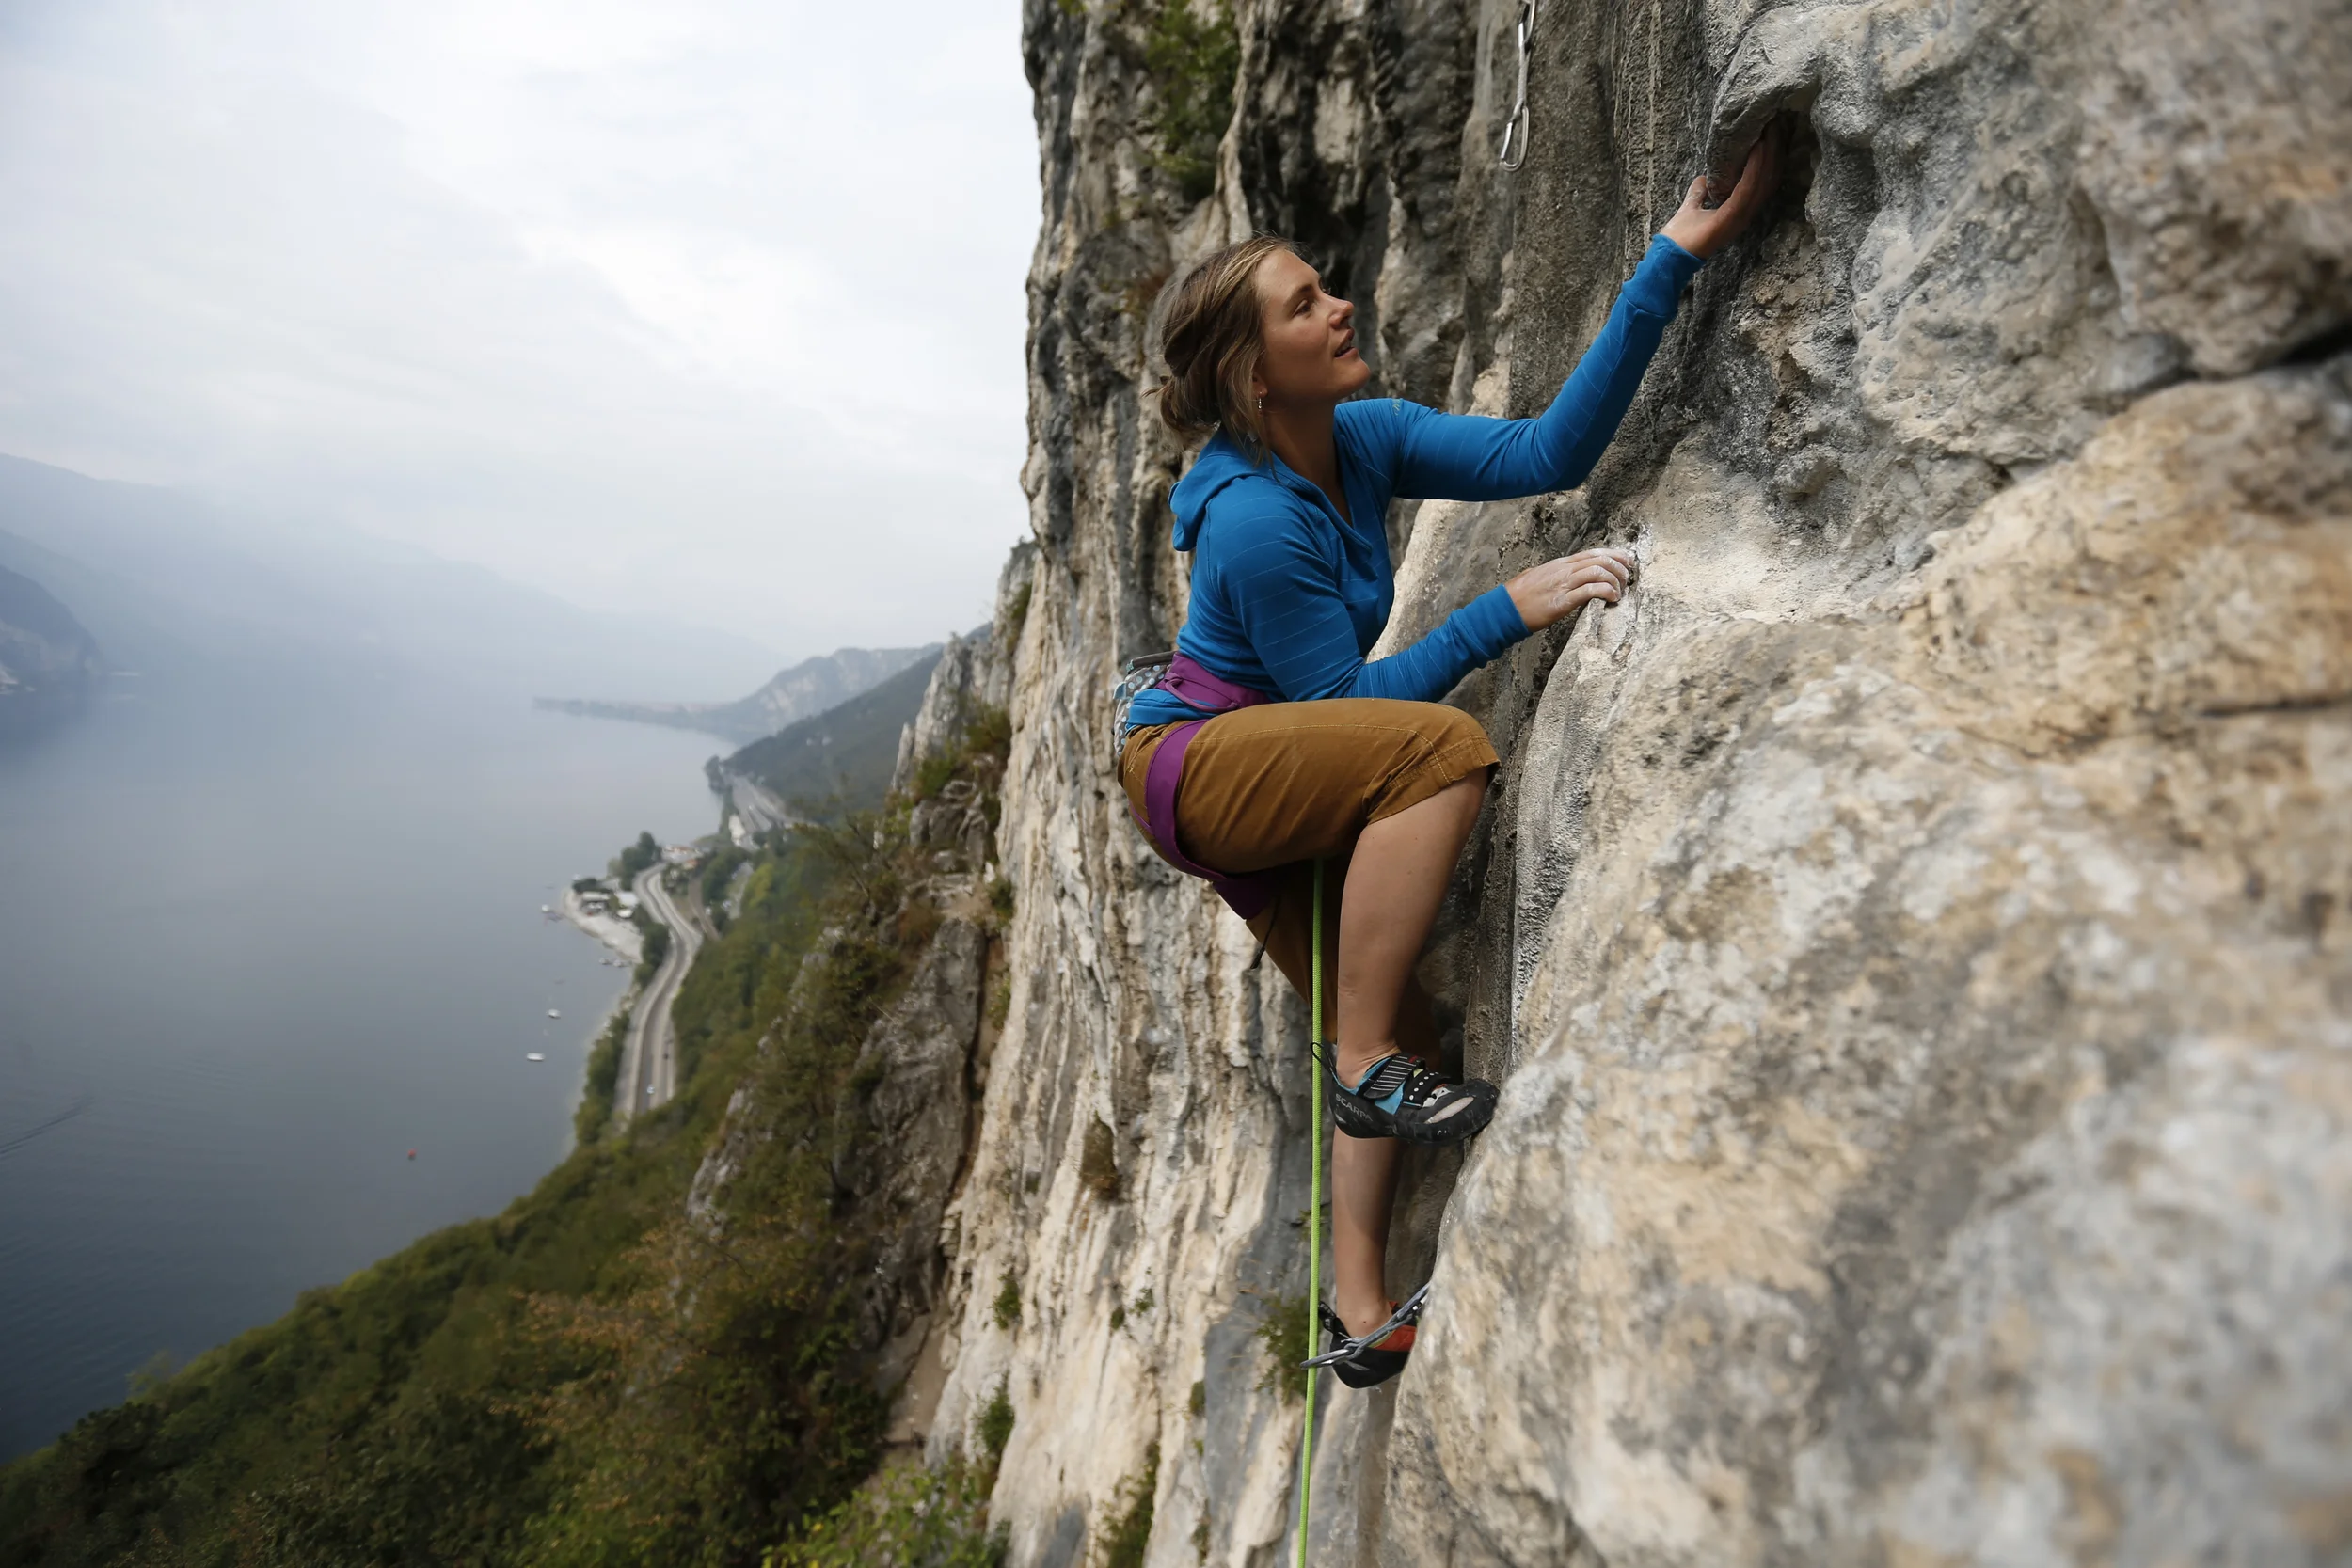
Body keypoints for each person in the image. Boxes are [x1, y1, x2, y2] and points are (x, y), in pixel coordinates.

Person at [1118, 136, 1782, 1387]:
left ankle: (1358, 1312)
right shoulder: (1252, 520)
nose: (1340, 305)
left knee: (1394, 1017)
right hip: (1196, 762)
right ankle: (1370, 1074)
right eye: (1304, 305)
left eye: (1325, 287)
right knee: (1439, 752)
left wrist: (1671, 259)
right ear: (1257, 375)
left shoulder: (1358, 438)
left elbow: (1545, 455)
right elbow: (1349, 711)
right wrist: (1506, 609)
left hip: (1258, 752)